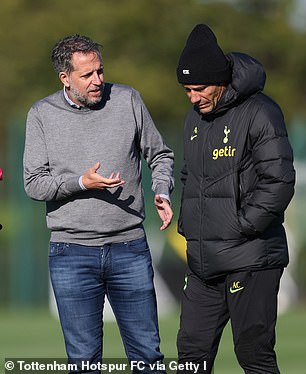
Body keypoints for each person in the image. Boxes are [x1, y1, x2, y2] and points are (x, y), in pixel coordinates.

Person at [23, 34, 174, 373]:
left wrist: (162, 189)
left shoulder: (128, 100)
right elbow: (34, 183)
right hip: (71, 253)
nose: (98, 81)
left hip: (130, 248)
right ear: (65, 78)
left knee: (148, 358)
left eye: (100, 72)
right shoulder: (41, 115)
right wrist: (80, 183)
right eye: (87, 75)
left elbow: (160, 155)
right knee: (83, 362)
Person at [175, 24, 295, 373]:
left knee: (253, 355)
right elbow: (191, 176)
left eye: (200, 88)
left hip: (251, 258)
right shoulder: (193, 119)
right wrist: (189, 224)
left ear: (222, 80)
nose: (193, 97)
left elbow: (280, 180)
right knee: (190, 356)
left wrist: (240, 225)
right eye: (187, 90)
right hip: (202, 263)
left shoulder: (260, 111)